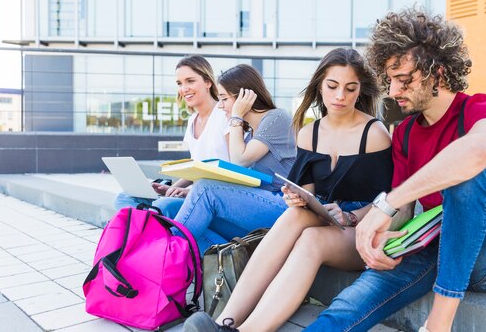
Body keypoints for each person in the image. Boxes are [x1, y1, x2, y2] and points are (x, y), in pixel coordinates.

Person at [301, 8, 486, 332]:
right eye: (390, 80)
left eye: (404, 80)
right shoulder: (406, 133)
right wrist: (382, 238)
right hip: (433, 243)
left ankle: (437, 326)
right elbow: (406, 210)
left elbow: (480, 149)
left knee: (466, 174)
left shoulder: (482, 109)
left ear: (437, 73)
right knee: (351, 302)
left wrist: (388, 204)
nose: (394, 91)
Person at [183, 48, 397, 332]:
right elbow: (305, 192)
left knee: (311, 240)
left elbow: (388, 203)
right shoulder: (310, 132)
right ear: (320, 85)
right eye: (332, 86)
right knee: (296, 216)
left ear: (360, 91)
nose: (339, 96)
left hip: (362, 230)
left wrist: (350, 217)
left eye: (350, 88)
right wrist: (294, 197)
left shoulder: (374, 134)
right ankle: (225, 322)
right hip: (325, 217)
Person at [173, 64, 296, 253]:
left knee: (205, 189)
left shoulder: (276, 118)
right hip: (260, 206)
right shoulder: (249, 132)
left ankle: (165, 255)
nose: (220, 106)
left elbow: (240, 160)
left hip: (284, 206)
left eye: (223, 99)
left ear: (244, 97)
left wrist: (237, 115)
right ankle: (206, 270)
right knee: (178, 210)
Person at [113, 55, 229, 218]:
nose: (184, 88)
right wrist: (172, 188)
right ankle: (148, 227)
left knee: (164, 205)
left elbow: (232, 169)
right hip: (194, 192)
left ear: (208, 82)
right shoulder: (192, 121)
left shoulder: (224, 115)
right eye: (179, 83)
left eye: (190, 81)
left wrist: (188, 192)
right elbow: (198, 166)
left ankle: (147, 229)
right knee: (123, 198)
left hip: (213, 197)